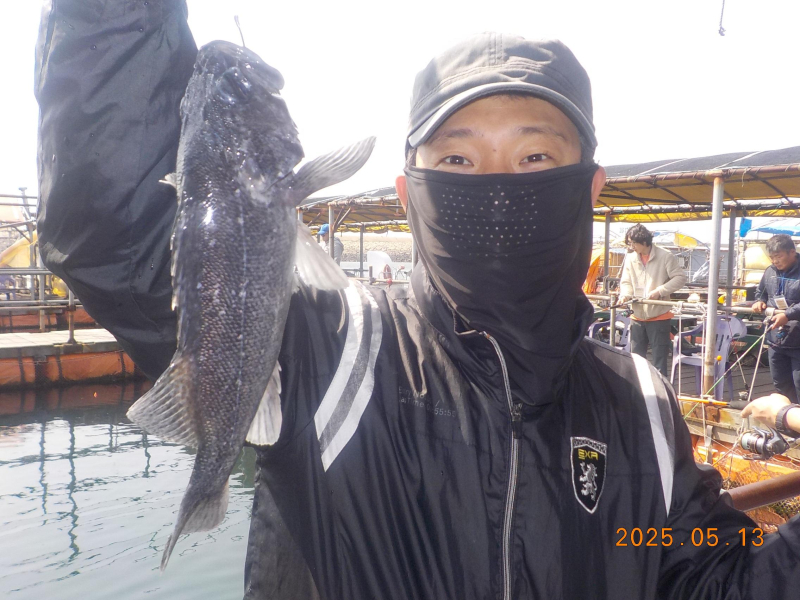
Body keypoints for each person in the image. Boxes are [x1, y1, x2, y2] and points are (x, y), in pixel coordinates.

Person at [36, 8, 800, 600]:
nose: (496, 182)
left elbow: (705, 576)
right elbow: (115, 232)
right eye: (458, 158)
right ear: (411, 193)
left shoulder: (642, 403)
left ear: (589, 187)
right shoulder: (324, 351)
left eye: (535, 155)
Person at [619, 224, 686, 377]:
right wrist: (625, 295)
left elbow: (680, 278)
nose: (631, 246)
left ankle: (660, 389)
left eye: (633, 243)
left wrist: (660, 291)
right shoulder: (630, 258)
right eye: (629, 243)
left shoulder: (665, 256)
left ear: (644, 242)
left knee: (659, 360)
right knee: (636, 358)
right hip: (636, 315)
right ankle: (637, 388)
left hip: (659, 316)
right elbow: (626, 282)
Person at [752, 234, 800, 403]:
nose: (775, 261)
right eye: (771, 257)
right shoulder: (770, 271)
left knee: (798, 382)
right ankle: (787, 416)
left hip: (798, 339)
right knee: (780, 384)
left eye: (778, 256)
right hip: (776, 338)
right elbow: (761, 292)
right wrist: (760, 301)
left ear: (792, 252)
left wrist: (787, 315)